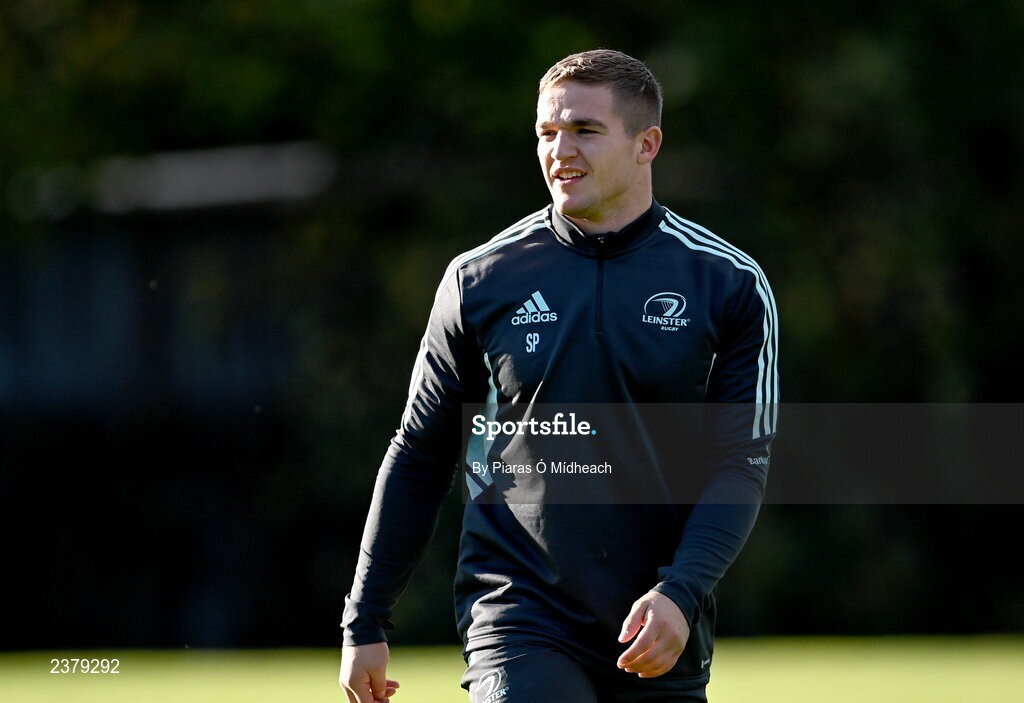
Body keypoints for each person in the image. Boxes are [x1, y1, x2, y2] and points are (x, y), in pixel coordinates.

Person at [339, 49, 778, 703]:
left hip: (658, 625)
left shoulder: (729, 284)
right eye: (547, 132)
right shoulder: (480, 279)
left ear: (646, 144)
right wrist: (364, 618)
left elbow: (738, 462)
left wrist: (682, 591)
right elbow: (420, 452)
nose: (559, 150)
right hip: (517, 614)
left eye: (584, 130)